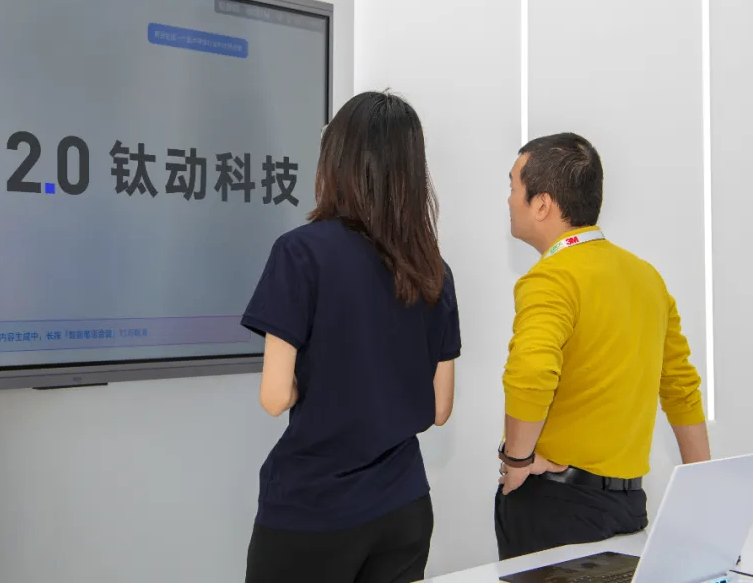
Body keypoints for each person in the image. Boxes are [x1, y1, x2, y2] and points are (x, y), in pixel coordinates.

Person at [240, 91, 461, 583]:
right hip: (404, 508)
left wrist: (313, 381)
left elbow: (274, 397)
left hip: (313, 510)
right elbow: (440, 407)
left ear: (336, 160)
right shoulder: (433, 270)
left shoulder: (300, 253)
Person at [495, 132, 711, 560]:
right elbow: (681, 390)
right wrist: (705, 491)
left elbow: (532, 374)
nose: (509, 199)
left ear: (542, 204)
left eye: (514, 186)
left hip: (556, 508)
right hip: (628, 508)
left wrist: (516, 461)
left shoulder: (551, 277)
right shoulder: (647, 277)